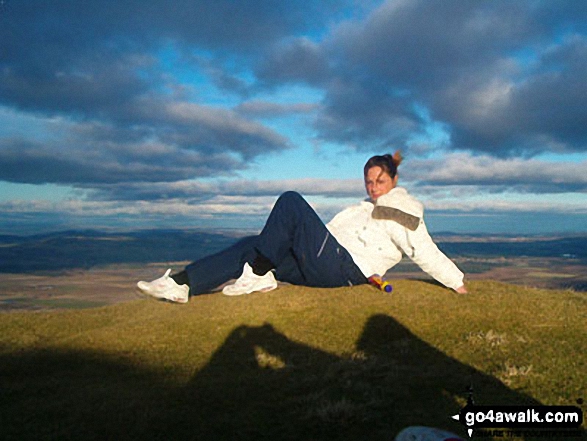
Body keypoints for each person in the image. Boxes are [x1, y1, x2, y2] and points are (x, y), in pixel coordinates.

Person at [137, 152, 467, 303]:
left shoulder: (401, 208)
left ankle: (259, 273)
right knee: (256, 242)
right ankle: (182, 283)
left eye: (380, 180)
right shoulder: (368, 207)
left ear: (394, 180)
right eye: (368, 181)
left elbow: (421, 248)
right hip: (325, 264)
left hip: (342, 268)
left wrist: (457, 282)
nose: (373, 187)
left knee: (292, 201)